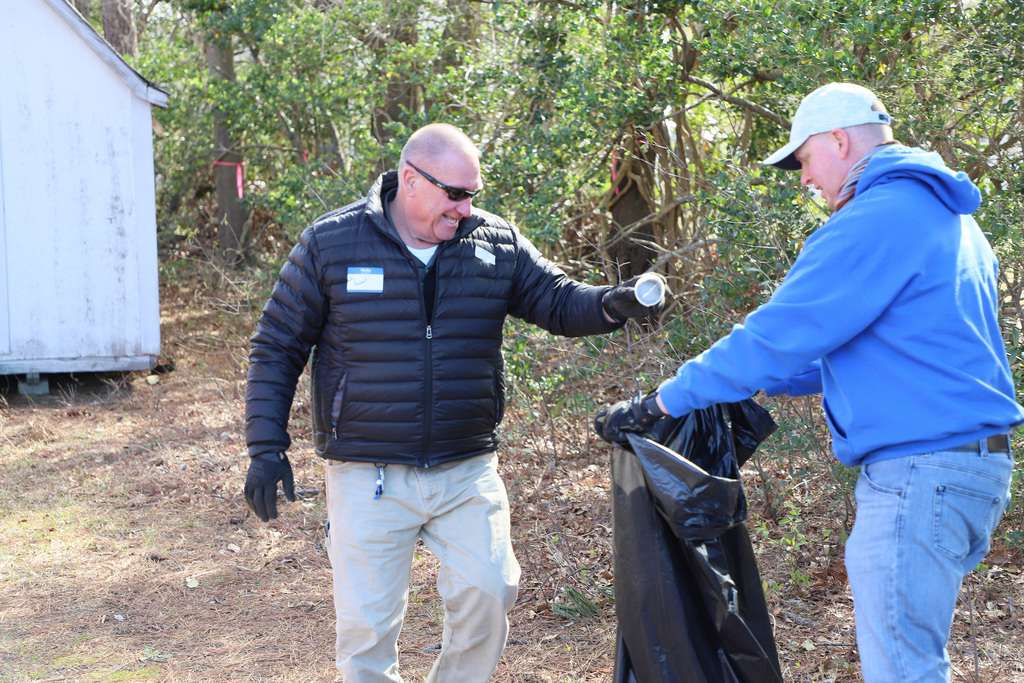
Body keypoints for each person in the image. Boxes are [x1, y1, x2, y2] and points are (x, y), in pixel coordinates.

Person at [594, 82, 1022, 682]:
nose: (802, 178)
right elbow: (873, 349)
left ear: (839, 140)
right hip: (966, 467)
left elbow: (774, 335)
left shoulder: (878, 218)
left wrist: (661, 400)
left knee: (903, 671)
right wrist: (742, 385)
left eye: (803, 159)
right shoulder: (942, 213)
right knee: (916, 660)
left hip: (919, 473)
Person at [243, 122, 663, 683]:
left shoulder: (494, 242)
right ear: (412, 181)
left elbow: (558, 301)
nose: (466, 208)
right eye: (456, 194)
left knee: (491, 590)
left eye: (473, 195)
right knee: (366, 629)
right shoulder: (332, 243)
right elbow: (276, 346)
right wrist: (266, 446)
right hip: (370, 472)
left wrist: (613, 304)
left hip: (466, 469)